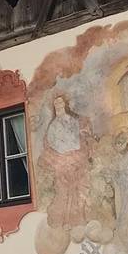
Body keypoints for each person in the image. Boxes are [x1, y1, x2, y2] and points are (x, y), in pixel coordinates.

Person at [41, 93, 93, 232]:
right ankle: (65, 221)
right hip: (62, 161)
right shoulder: (53, 125)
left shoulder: (72, 120)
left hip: (75, 159)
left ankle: (80, 219)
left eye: (60, 103)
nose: (58, 106)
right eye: (56, 104)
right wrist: (62, 153)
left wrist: (74, 150)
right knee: (63, 192)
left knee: (78, 190)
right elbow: (52, 143)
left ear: (65, 104)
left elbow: (77, 139)